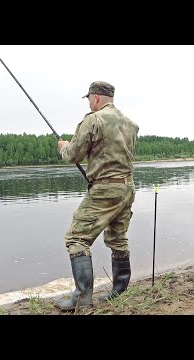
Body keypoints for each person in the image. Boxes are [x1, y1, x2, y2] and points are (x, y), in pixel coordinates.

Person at [56, 81, 139, 311]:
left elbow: (73, 155)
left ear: (96, 98)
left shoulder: (93, 120)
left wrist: (63, 146)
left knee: (76, 238)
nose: (90, 103)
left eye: (90, 98)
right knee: (118, 238)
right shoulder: (131, 124)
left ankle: (82, 298)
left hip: (105, 190)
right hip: (127, 187)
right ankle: (119, 291)